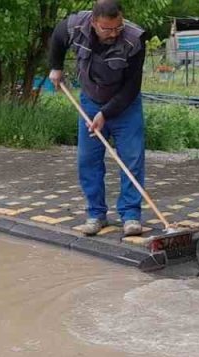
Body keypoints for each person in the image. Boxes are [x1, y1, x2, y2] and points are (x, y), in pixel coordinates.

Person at [48, 0, 150, 237]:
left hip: (126, 106)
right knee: (88, 160)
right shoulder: (75, 26)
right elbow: (57, 35)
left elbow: (132, 87)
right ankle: (96, 214)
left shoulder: (134, 39)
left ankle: (131, 215)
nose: (114, 34)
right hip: (90, 101)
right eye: (107, 29)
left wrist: (105, 114)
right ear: (94, 23)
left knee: (131, 159)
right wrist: (56, 67)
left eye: (118, 27)